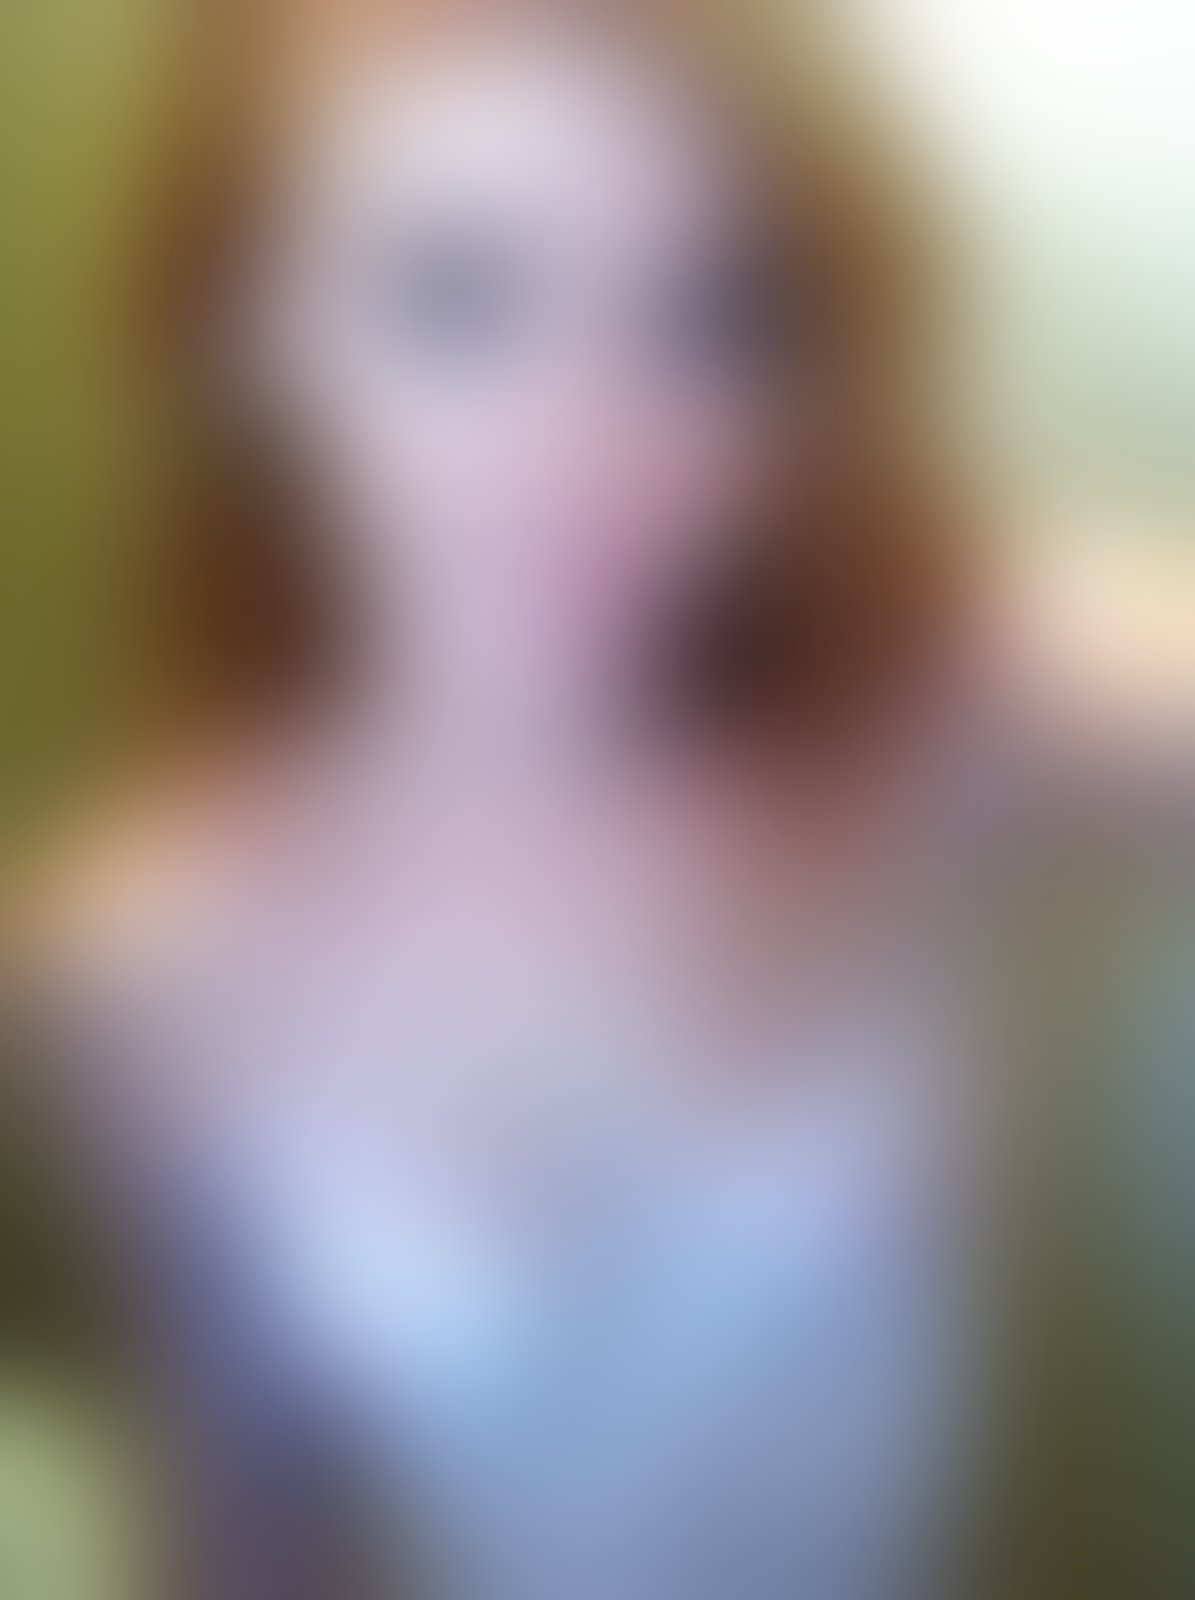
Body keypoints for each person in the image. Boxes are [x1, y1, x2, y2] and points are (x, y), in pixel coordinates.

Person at [9, 2, 1191, 1597]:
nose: (597, 449)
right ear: (239, 336)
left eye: (711, 310)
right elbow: (251, 1523)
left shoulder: (919, 705)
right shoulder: (135, 973)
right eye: (457, 295)